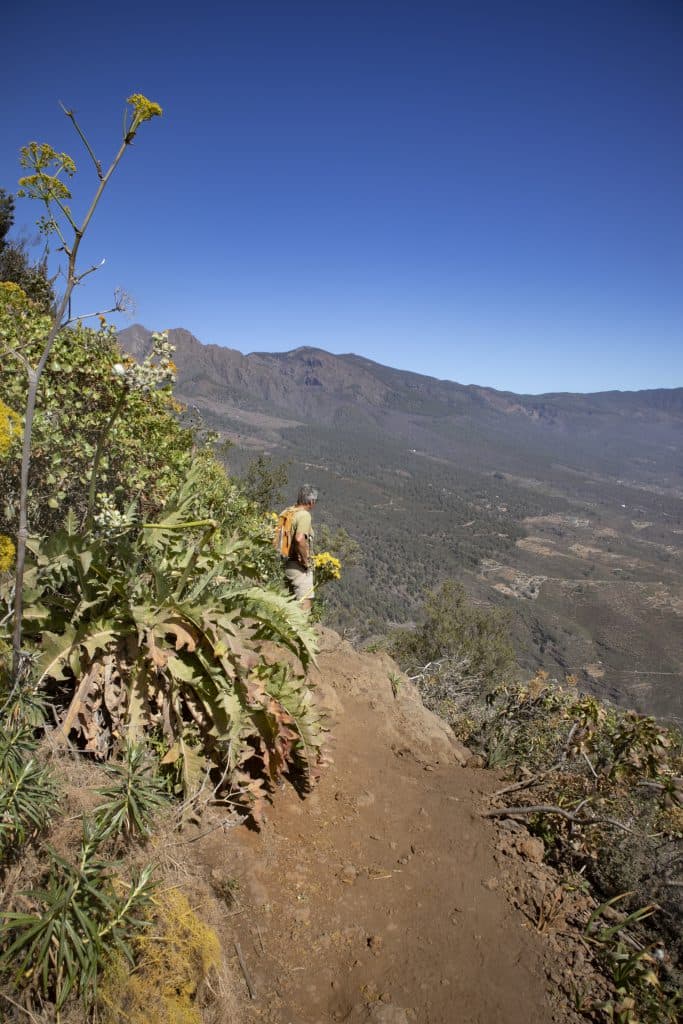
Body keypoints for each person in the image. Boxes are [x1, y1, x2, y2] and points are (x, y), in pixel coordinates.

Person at [284, 485, 318, 612]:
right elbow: (299, 539)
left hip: (286, 564)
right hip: (298, 568)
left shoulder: (288, 512)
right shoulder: (304, 515)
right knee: (303, 608)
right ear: (311, 501)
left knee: (288, 606)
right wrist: (305, 561)